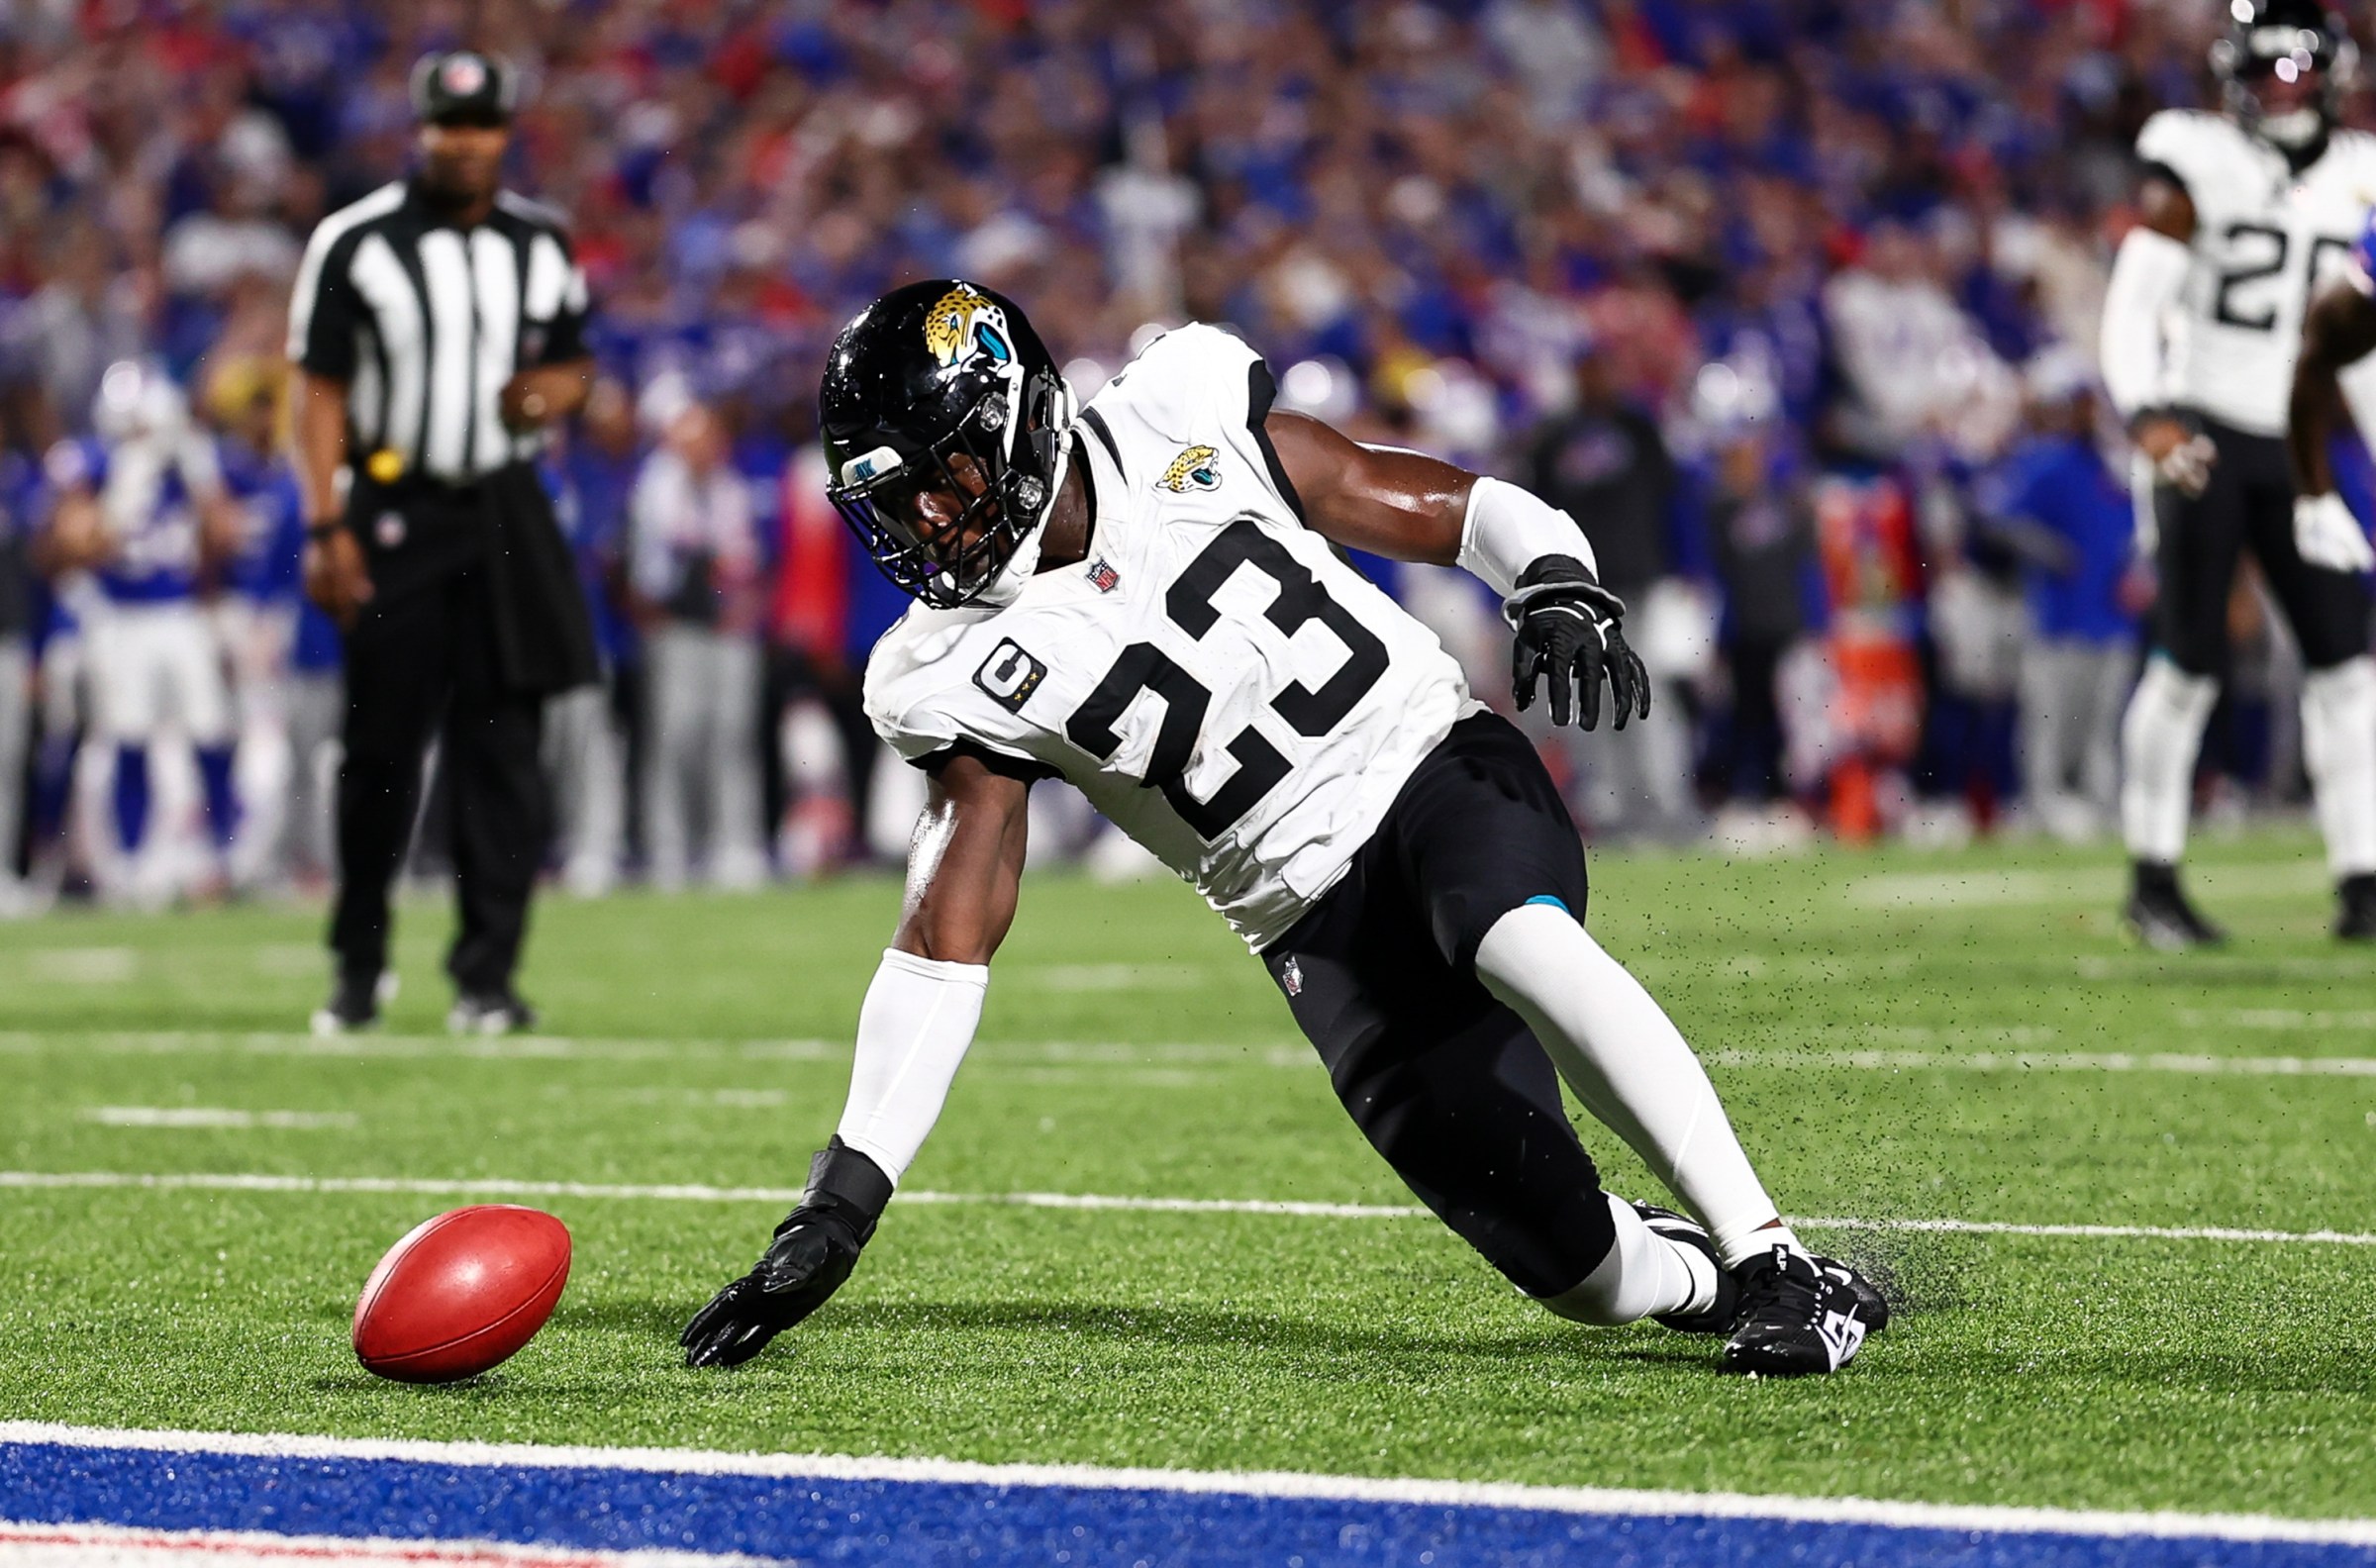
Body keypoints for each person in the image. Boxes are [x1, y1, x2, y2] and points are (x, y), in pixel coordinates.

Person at [682, 280, 1888, 1379]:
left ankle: (1775, 1257)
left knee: (1509, 935)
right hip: (1312, 922)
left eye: (939, 479)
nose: (926, 523)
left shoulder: (1179, 411)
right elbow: (945, 940)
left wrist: (1552, 577)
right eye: (896, 502)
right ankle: (1705, 1272)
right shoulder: (944, 667)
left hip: (1428, 767)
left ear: (1016, 421)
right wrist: (836, 1206)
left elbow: (1443, 504)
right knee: (1585, 1278)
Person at [287, 50, 598, 1032]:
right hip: (393, 508)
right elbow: (318, 389)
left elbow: (573, 362)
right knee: (379, 750)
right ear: (420, 130)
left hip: (505, 509)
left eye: (483, 125)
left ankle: (487, 977)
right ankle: (359, 961)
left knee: (506, 748)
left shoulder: (541, 243)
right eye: (448, 125)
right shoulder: (355, 241)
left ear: (507, 132)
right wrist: (324, 520)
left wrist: (560, 391)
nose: (464, 143)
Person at [2098, 0, 2376, 944]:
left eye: (2297, 74)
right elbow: (2135, 300)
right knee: (2191, 665)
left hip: (2300, 449)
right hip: (2207, 434)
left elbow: (2363, 351)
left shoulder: (2362, 175)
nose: (2281, 94)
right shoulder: (2196, 154)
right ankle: (2154, 876)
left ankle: (2363, 881)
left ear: (2333, 77)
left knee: (2348, 669)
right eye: (2264, 76)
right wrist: (2148, 415)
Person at [39, 360, 244, 904]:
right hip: (119, 618)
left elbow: (226, 535)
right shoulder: (93, 462)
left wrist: (199, 475)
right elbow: (74, 545)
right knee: (129, 739)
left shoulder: (189, 457)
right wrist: (125, 493)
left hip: (180, 614)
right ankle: (131, 866)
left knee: (212, 733)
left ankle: (220, 858)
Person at [1977, 351, 2143, 842]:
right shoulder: (2045, 461)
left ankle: (2103, 802)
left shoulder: (2113, 465)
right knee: (2049, 723)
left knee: (2105, 723)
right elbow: (1996, 515)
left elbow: (2140, 531)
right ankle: (2042, 803)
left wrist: (2142, 571)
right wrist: (2047, 550)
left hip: (2112, 616)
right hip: (2059, 617)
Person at [626, 397, 768, 891]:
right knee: (674, 738)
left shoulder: (732, 488)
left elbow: (749, 559)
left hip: (729, 630)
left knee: (731, 738)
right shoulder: (658, 488)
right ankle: (669, 848)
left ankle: (734, 844)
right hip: (677, 629)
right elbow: (648, 569)